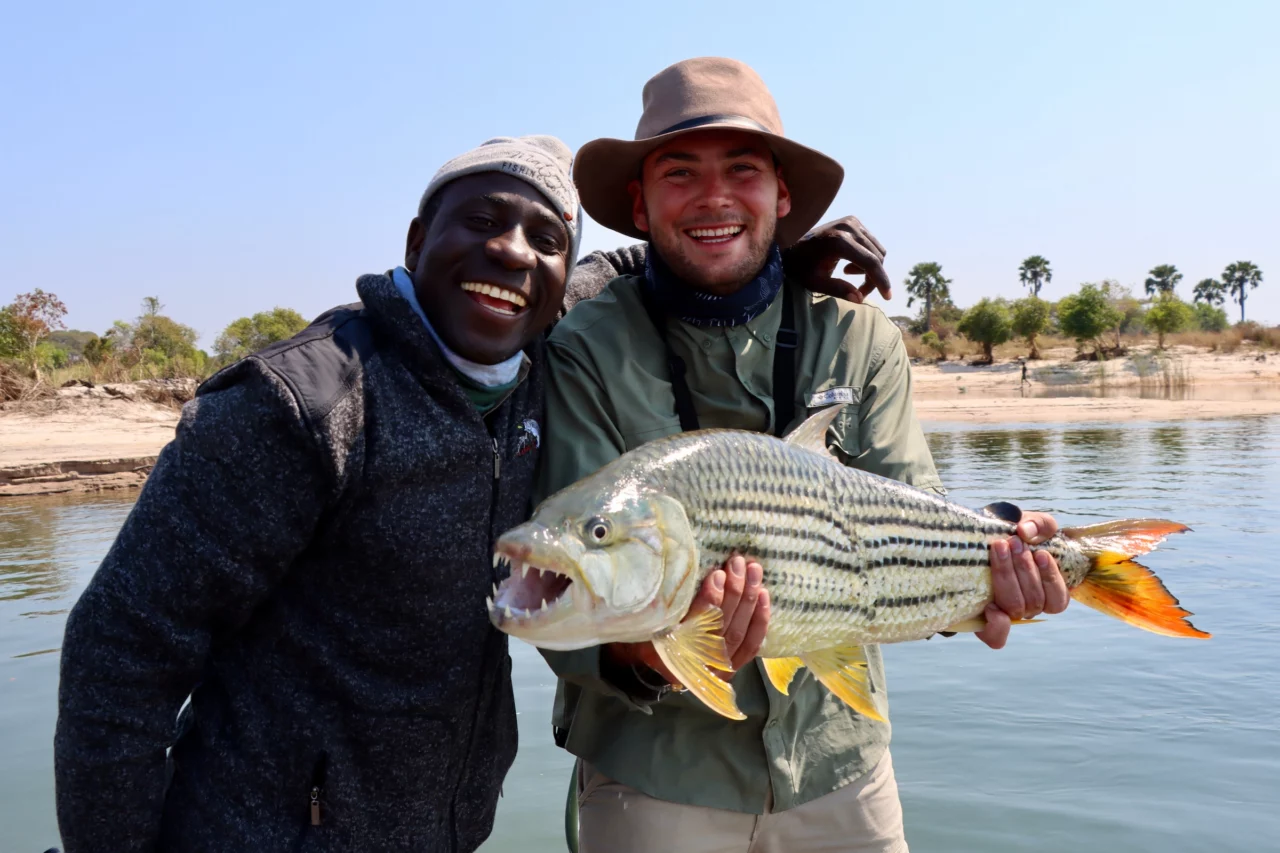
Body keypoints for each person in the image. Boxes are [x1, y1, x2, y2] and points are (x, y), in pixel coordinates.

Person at [52, 132, 895, 853]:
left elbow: (650, 259)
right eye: (482, 222)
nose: (512, 252)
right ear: (418, 238)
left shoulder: (528, 359)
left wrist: (777, 257)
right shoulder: (301, 406)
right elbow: (121, 649)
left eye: (543, 236)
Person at [537, 57, 1070, 853]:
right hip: (655, 772)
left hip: (840, 764)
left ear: (782, 197)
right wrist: (658, 649)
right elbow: (566, 589)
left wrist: (988, 582)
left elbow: (911, 530)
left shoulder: (860, 335)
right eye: (679, 173)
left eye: (742, 170)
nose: (714, 197)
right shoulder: (582, 348)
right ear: (638, 204)